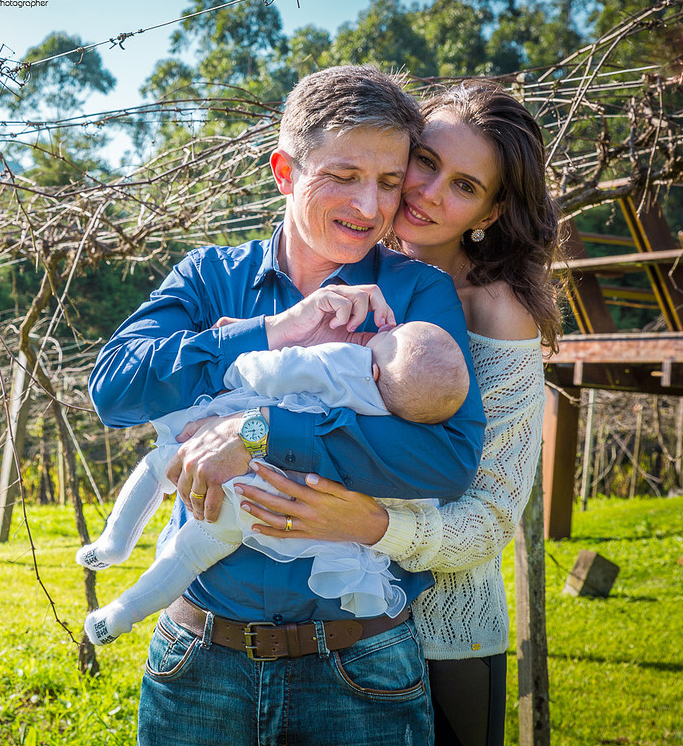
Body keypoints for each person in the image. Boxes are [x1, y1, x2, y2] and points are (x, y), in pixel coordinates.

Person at [88, 64, 486, 746]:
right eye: (344, 175)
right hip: (196, 659)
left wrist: (266, 429)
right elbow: (115, 388)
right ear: (284, 172)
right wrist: (275, 330)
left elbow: (447, 461)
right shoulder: (211, 278)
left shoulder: (417, 297)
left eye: (390, 182)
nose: (370, 206)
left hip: (360, 666)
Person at [236, 79, 561, 746]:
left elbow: (491, 516)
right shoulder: (344, 270)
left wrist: (373, 523)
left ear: (490, 213)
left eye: (465, 186)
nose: (428, 192)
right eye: (426, 161)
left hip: (439, 634)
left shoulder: (495, 309)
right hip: (329, 623)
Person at [79, 316, 469, 646]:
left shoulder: (351, 364)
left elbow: (281, 369)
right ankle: (119, 614)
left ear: (377, 368)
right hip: (263, 508)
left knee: (157, 465)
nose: (376, 334)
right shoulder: (398, 427)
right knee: (187, 555)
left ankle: (114, 543)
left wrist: (239, 363)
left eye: (386, 336)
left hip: (238, 461)